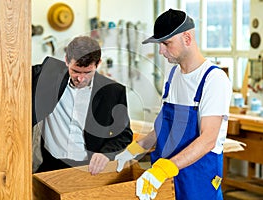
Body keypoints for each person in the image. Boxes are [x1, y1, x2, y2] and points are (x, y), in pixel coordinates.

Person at [115, 8, 232, 200]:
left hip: (198, 178)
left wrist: (162, 170)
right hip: (168, 176)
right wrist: (133, 150)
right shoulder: (173, 75)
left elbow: (208, 139)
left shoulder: (213, 79)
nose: (161, 51)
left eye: (166, 43)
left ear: (187, 38)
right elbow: (161, 130)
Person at [32, 36, 133, 175]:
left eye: (87, 72)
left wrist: (106, 154)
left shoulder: (113, 91)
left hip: (89, 168)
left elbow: (124, 134)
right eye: (75, 71)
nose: (80, 79)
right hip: (49, 164)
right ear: (67, 60)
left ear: (98, 64)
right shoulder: (48, 75)